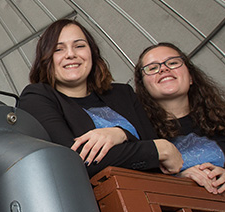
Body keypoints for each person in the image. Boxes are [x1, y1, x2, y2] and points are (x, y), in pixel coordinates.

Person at [18, 19, 183, 178]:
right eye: (58, 49)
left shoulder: (123, 93)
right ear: (46, 59)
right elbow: (73, 160)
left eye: (79, 46)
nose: (70, 54)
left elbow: (157, 152)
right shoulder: (36, 97)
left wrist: (181, 172)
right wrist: (128, 135)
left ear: (92, 53)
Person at [134, 43, 225, 194]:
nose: (164, 69)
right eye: (152, 68)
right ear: (143, 87)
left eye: (173, 63)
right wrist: (178, 179)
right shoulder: (136, 131)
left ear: (191, 77)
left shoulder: (224, 119)